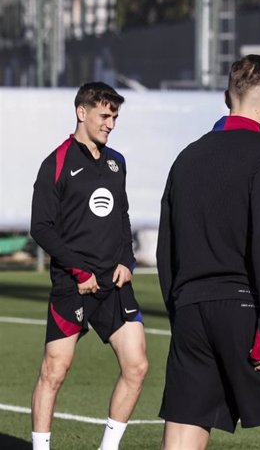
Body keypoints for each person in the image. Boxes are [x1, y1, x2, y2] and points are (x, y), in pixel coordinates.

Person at [156, 54, 260, 450]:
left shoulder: (186, 157)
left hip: (191, 315)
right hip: (245, 313)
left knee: (184, 435)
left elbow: (167, 249)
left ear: (227, 97)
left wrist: (180, 313)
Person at [30, 82, 148, 450]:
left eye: (115, 116)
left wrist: (127, 261)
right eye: (104, 115)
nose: (111, 123)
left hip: (114, 284)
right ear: (82, 113)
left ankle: (108, 448)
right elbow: (41, 228)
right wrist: (78, 271)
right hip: (73, 285)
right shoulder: (57, 162)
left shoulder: (117, 163)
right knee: (55, 370)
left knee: (137, 366)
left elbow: (122, 216)